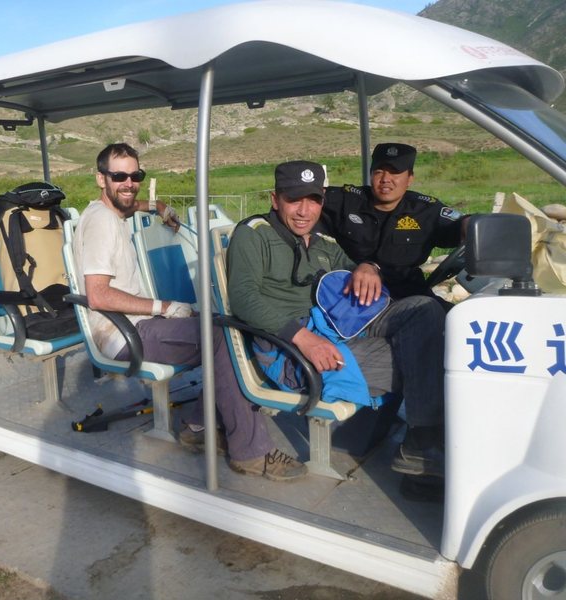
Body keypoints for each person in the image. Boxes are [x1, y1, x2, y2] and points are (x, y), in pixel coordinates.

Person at [72, 142, 306, 482]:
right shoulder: (101, 224)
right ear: (100, 178)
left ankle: (197, 425)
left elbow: (130, 203)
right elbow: (97, 295)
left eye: (135, 175)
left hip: (139, 324)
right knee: (223, 337)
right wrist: (165, 308)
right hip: (122, 333)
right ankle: (251, 452)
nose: (129, 183)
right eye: (119, 176)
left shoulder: (111, 211)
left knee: (224, 326)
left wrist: (157, 206)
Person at [227, 160, 446, 478]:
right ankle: (423, 442)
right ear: (276, 200)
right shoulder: (253, 234)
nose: (304, 211)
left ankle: (422, 436)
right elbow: (243, 299)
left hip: (336, 330)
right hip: (292, 351)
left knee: (425, 311)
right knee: (422, 355)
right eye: (294, 199)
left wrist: (368, 266)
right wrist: (304, 338)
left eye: (313, 200)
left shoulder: (321, 242)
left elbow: (354, 264)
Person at [320, 143, 467, 307]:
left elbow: (462, 224)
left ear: (410, 178)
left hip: (410, 297)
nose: (385, 179)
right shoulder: (347, 201)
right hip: (355, 301)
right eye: (379, 171)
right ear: (370, 175)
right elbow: (307, 197)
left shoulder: (425, 210)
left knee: (458, 321)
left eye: (395, 172)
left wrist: (471, 224)